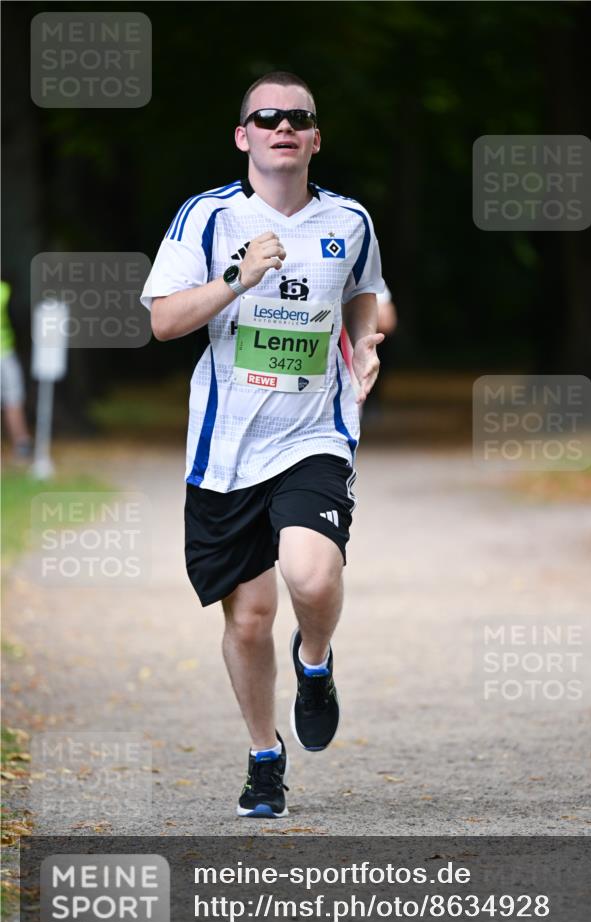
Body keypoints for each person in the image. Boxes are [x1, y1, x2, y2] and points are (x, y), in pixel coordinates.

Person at [141, 71, 384, 818]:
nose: (283, 126)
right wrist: (237, 277)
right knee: (247, 620)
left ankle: (315, 664)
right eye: (266, 117)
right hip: (226, 449)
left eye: (298, 118)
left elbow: (365, 291)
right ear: (243, 136)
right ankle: (263, 756)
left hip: (314, 434)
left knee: (310, 579)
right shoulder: (207, 219)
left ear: (314, 138)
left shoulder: (350, 219)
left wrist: (367, 339)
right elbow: (164, 321)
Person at [0, 280, 32, 462]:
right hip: (6, 353)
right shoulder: (5, 290)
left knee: (13, 400)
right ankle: (21, 445)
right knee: (13, 400)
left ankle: (21, 446)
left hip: (6, 352)